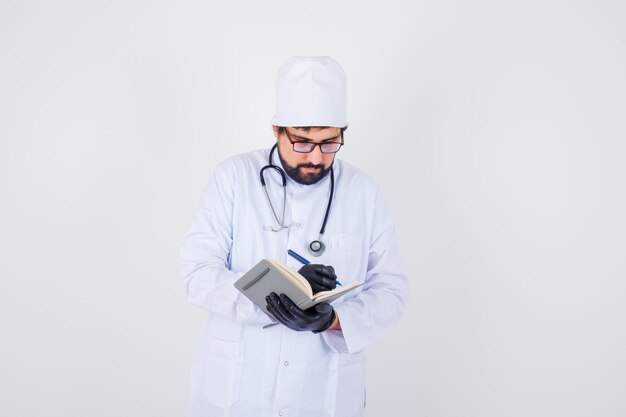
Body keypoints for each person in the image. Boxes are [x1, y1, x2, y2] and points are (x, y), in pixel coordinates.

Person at [179, 56, 409, 417]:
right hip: (238, 391)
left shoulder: (364, 192)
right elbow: (197, 275)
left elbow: (391, 292)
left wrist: (331, 319)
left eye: (329, 143)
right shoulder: (233, 178)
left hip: (322, 393)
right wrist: (280, 293)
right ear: (277, 130)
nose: (316, 158)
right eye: (302, 142)